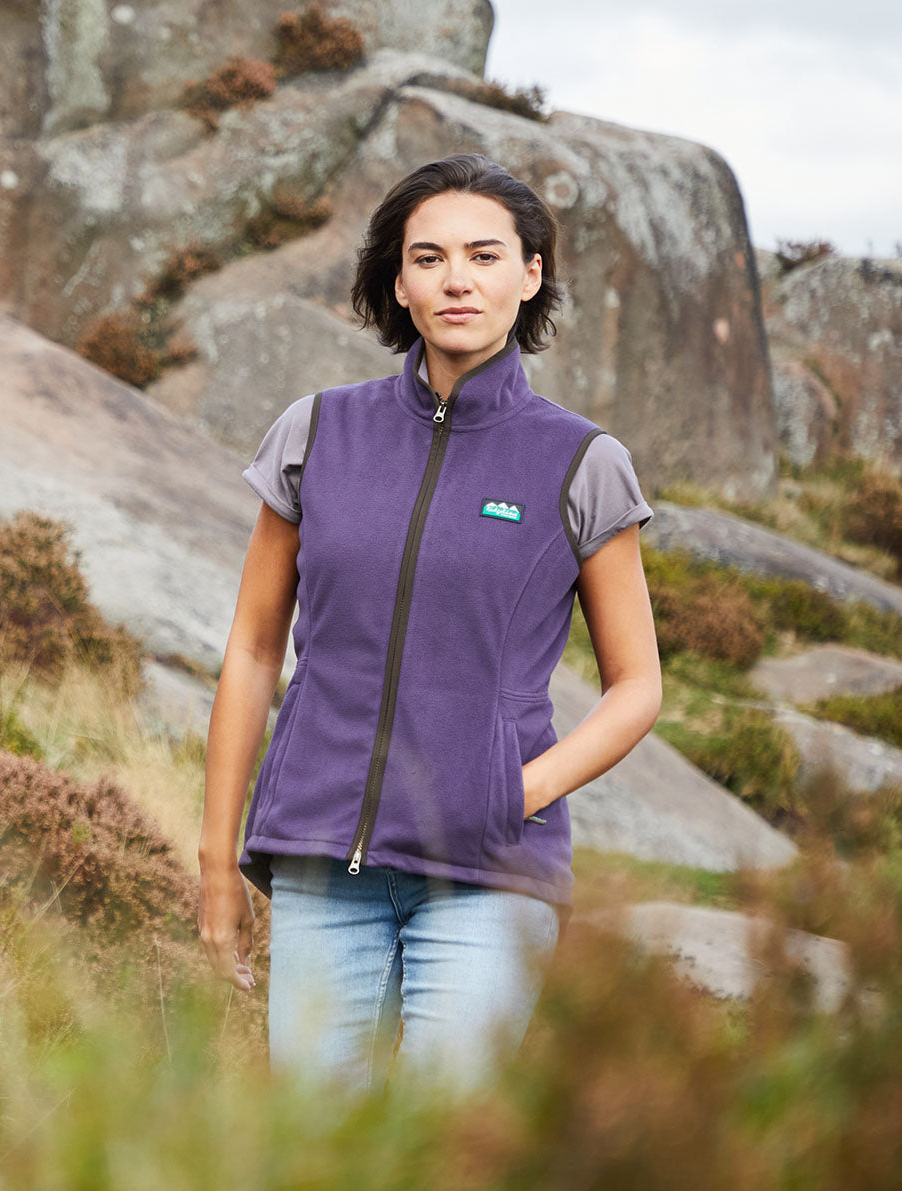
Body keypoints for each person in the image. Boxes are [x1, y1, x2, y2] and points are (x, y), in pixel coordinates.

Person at [197, 153, 662, 1103]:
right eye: (430, 257)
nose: (458, 279)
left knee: (449, 1149)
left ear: (529, 276)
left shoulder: (583, 463)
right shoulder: (318, 432)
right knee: (320, 1158)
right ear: (398, 283)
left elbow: (638, 687)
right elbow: (251, 651)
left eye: (485, 255)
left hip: (489, 872)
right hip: (325, 861)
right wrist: (216, 857)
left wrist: (512, 792)